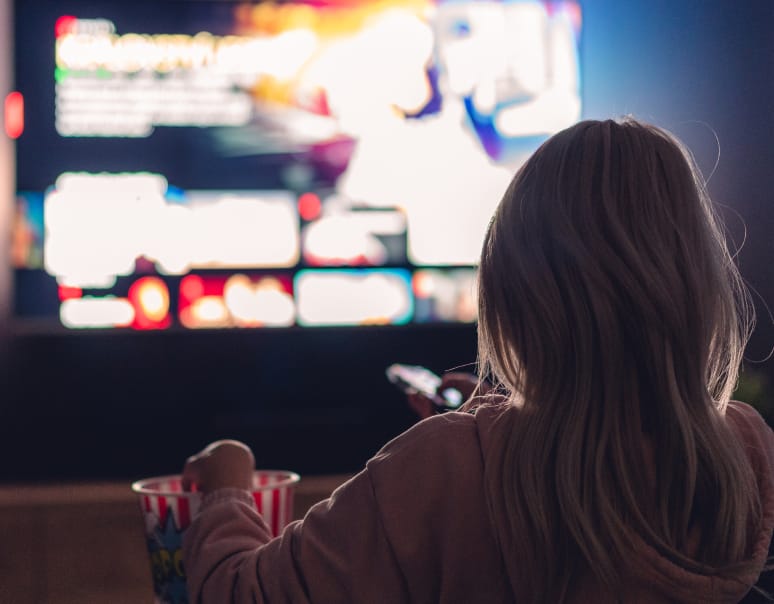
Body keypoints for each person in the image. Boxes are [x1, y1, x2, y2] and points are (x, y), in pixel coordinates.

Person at [181, 118, 774, 603]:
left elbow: (240, 594)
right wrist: (487, 434)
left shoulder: (441, 466)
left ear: (513, 288)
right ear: (697, 286)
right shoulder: (747, 452)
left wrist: (228, 486)